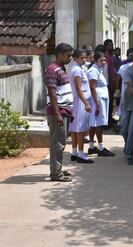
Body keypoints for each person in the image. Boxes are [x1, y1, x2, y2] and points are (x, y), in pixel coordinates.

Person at [45, 43, 74, 182]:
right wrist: (57, 114)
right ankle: (56, 173)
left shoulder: (61, 69)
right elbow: (52, 93)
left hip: (65, 111)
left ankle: (58, 169)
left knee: (60, 142)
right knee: (57, 143)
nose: (70, 58)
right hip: (59, 112)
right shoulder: (52, 70)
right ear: (60, 54)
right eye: (68, 55)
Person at [87, 52, 115, 157]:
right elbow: (92, 88)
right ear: (95, 60)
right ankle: (101, 147)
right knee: (98, 124)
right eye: (101, 60)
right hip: (97, 101)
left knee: (94, 124)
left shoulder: (99, 70)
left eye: (104, 60)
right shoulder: (93, 71)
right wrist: (97, 104)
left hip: (100, 100)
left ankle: (91, 147)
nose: (103, 62)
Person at [68, 49, 94, 164]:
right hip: (80, 101)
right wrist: (86, 103)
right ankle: (80, 153)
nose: (84, 60)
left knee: (75, 128)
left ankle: (74, 152)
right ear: (76, 58)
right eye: (81, 58)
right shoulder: (77, 70)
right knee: (80, 128)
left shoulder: (78, 68)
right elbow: (79, 89)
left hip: (79, 101)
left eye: (85, 58)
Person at [104, 39, 117, 127]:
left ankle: (110, 119)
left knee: (111, 102)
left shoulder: (111, 56)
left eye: (112, 45)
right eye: (110, 45)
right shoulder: (106, 57)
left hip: (112, 82)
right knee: (108, 103)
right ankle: (107, 121)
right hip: (108, 82)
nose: (112, 46)